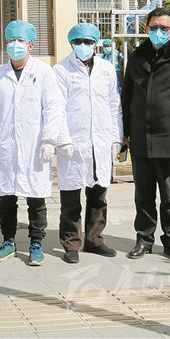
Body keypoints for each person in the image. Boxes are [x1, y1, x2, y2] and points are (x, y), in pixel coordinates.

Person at [0, 20, 63, 267]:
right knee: (7, 196)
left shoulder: (44, 72)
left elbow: (53, 109)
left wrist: (49, 140)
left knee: (36, 196)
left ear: (30, 45)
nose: (15, 45)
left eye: (20, 41)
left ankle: (36, 243)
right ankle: (8, 242)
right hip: (5, 144)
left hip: (34, 144)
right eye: (11, 41)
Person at [122, 7, 170, 262]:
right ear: (146, 28)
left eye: (164, 28)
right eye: (154, 27)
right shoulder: (137, 56)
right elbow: (127, 96)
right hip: (140, 138)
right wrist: (125, 132)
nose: (158, 31)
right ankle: (144, 240)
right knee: (143, 195)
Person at [54, 23, 123, 264]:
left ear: (96, 44)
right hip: (73, 141)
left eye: (88, 42)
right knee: (70, 197)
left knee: (99, 195)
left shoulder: (106, 69)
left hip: (101, 141)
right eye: (78, 42)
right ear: (71, 43)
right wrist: (62, 138)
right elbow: (57, 108)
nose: (83, 46)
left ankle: (95, 240)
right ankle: (71, 243)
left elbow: (114, 104)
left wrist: (116, 136)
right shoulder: (61, 70)